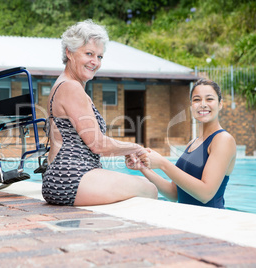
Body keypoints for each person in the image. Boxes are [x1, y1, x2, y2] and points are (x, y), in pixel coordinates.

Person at [42, 20, 158, 206]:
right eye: (89, 54)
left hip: (60, 177)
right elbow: (98, 145)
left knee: (142, 185)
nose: (95, 62)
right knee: (149, 189)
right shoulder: (71, 88)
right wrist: (135, 147)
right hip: (71, 178)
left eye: (100, 56)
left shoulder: (60, 85)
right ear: (69, 53)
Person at [126, 78, 236, 208]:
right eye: (197, 99)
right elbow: (174, 194)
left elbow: (205, 194)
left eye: (209, 99)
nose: (203, 104)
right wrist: (143, 168)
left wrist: (162, 163)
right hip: (188, 220)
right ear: (191, 106)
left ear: (220, 104)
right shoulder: (192, 143)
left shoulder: (223, 140)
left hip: (210, 222)